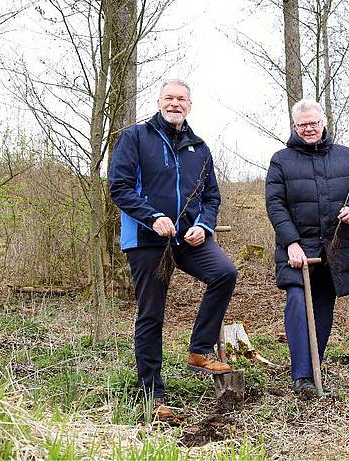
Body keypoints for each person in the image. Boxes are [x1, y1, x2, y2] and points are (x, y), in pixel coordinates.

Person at [109, 79, 237, 419]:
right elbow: (119, 188)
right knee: (151, 314)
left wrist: (204, 225)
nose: (175, 103)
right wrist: (152, 217)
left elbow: (211, 197)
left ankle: (199, 350)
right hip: (148, 239)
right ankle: (153, 394)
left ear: (190, 105)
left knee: (225, 273)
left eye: (181, 99)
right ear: (159, 101)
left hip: (187, 239)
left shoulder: (200, 147)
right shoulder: (135, 138)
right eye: (169, 98)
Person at [265, 99, 349, 397]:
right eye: (303, 124)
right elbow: (275, 205)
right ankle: (301, 376)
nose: (309, 128)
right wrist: (292, 243)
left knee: (323, 308)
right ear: (294, 127)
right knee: (298, 301)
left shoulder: (346, 156)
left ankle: (314, 368)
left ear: (323, 123)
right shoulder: (281, 160)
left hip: (333, 248)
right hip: (296, 248)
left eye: (314, 123)